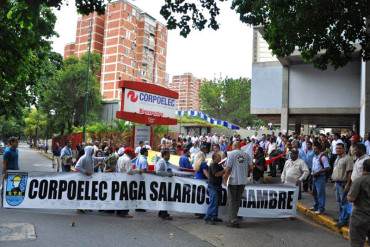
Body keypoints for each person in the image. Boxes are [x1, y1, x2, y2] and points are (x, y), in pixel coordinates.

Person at [224, 141, 252, 228]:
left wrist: (225, 178)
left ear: (234, 146)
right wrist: (245, 174)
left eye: (232, 145)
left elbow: (228, 168)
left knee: (232, 200)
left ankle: (232, 220)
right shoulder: (246, 155)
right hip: (243, 181)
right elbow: (251, 167)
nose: (231, 147)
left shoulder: (232, 154)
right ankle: (234, 218)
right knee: (237, 200)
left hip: (233, 180)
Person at [347, 159, 370, 247]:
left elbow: (351, 198)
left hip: (360, 216)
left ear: (363, 168)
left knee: (357, 243)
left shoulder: (359, 181)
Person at [331, 142, 353, 227]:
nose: (338, 150)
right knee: (339, 202)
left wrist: (348, 184)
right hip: (337, 183)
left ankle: (344, 220)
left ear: (344, 149)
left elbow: (350, 172)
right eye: (337, 148)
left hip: (343, 184)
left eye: (340, 148)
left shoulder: (348, 159)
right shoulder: (337, 158)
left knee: (344, 203)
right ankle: (341, 218)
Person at [310, 142, 330, 214]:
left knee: (320, 193)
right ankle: (316, 206)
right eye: (313, 149)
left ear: (319, 149)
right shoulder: (314, 157)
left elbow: (327, 168)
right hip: (314, 177)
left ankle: (321, 209)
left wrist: (318, 172)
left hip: (320, 177)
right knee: (314, 193)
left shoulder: (323, 157)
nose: (314, 150)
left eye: (315, 149)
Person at [204, 152, 224, 224]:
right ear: (214, 158)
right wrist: (225, 170)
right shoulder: (213, 165)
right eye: (218, 157)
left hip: (217, 186)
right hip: (213, 186)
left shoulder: (218, 165)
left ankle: (214, 216)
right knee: (213, 202)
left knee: (217, 202)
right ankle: (208, 217)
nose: (220, 158)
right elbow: (217, 174)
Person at [116, 148, 136, 218]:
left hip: (120, 178)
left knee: (120, 196)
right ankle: (124, 212)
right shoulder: (128, 159)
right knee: (126, 196)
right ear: (129, 153)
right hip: (126, 179)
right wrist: (136, 171)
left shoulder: (120, 158)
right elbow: (129, 171)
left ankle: (119, 211)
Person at [155, 149, 174, 220]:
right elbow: (158, 172)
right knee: (164, 198)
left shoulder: (164, 162)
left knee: (164, 198)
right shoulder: (161, 161)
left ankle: (162, 212)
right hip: (162, 182)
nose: (169, 156)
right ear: (164, 155)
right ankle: (164, 214)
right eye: (168, 155)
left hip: (164, 182)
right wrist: (168, 174)